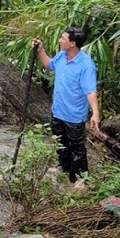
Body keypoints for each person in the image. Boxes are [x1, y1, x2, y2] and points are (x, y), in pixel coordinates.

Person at [31, 28, 100, 187]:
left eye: (63, 38)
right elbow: (49, 65)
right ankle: (64, 167)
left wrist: (95, 113)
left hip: (74, 114)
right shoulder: (62, 56)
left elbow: (90, 91)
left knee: (76, 148)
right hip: (58, 110)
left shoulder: (86, 65)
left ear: (73, 43)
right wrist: (41, 50)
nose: (60, 40)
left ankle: (80, 178)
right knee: (61, 143)